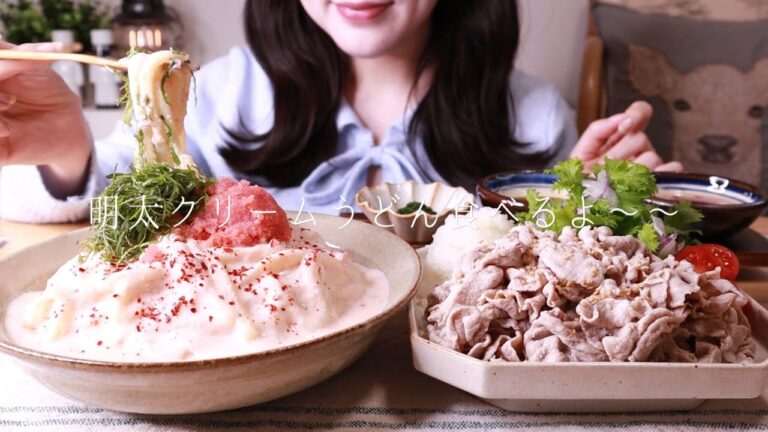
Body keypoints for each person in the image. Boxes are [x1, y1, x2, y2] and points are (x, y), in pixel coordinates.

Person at [0, 0, 681, 223]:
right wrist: (65, 150)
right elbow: (113, 193)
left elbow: (550, 257)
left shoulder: (530, 112)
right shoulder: (221, 90)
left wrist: (599, 195)